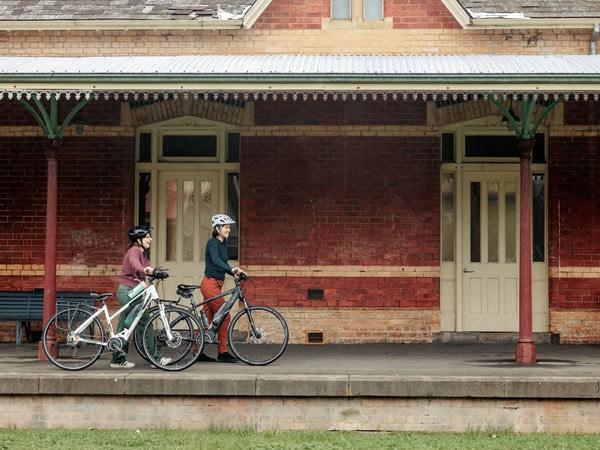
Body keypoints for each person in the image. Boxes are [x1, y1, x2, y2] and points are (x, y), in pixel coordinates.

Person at [110, 225, 171, 369]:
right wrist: (145, 269)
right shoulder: (134, 251)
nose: (150, 239)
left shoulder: (142, 254)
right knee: (145, 322)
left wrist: (155, 272)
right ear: (139, 239)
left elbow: (143, 269)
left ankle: (117, 359)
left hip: (131, 291)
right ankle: (156, 358)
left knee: (125, 325)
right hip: (129, 292)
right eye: (147, 236)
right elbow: (134, 264)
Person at [201, 214, 245, 363]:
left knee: (208, 320)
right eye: (226, 227)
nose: (229, 229)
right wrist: (231, 270)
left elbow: (222, 262)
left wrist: (233, 271)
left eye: (229, 227)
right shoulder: (213, 243)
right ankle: (222, 352)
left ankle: (196, 351)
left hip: (216, 284)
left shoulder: (223, 243)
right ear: (218, 228)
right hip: (210, 284)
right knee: (224, 316)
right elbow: (215, 260)